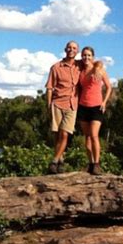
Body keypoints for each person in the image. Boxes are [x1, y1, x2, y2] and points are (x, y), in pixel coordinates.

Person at [45, 41, 81, 174]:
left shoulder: (80, 66)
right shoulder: (56, 67)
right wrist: (49, 105)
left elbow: (93, 65)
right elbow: (49, 88)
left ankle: (54, 161)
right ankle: (61, 160)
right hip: (57, 103)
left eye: (74, 48)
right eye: (69, 47)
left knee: (65, 134)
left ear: (77, 51)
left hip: (72, 105)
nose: (71, 50)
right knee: (57, 136)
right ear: (65, 49)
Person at [78, 46, 112, 175]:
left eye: (89, 55)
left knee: (94, 135)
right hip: (82, 106)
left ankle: (97, 164)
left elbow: (109, 87)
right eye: (84, 55)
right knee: (87, 138)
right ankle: (91, 163)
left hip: (96, 107)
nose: (86, 57)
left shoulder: (99, 69)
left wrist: (104, 102)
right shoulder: (81, 70)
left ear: (93, 57)